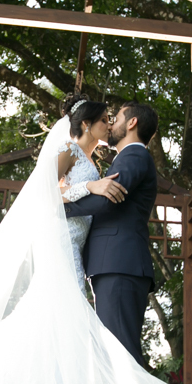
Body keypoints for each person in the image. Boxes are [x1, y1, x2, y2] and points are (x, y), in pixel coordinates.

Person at [63, 101, 158, 367]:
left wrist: (62, 205)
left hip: (120, 265)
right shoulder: (125, 158)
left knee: (122, 358)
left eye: (115, 119)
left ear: (132, 123)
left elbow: (108, 198)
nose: (110, 124)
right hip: (113, 265)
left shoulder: (135, 155)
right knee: (114, 356)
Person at [55, 93, 128, 289]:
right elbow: (45, 194)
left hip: (80, 244)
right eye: (104, 120)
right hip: (64, 239)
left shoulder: (91, 162)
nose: (110, 126)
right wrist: (88, 186)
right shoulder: (68, 149)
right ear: (87, 123)